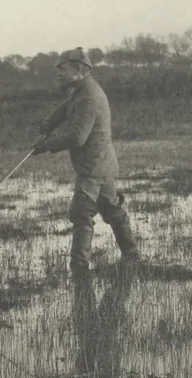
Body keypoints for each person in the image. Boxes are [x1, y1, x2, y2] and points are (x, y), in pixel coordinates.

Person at [31, 48, 139, 274]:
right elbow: (64, 110)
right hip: (101, 165)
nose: (58, 73)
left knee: (81, 214)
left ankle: (79, 269)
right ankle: (131, 255)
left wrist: (47, 144)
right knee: (112, 210)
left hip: (93, 167)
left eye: (62, 69)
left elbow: (76, 137)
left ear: (78, 70)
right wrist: (46, 126)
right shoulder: (81, 91)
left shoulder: (88, 96)